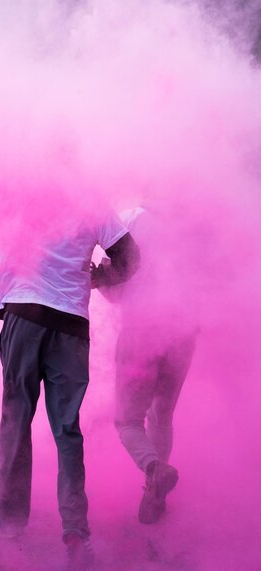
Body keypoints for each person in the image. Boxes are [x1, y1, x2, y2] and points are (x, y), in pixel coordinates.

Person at [0, 212, 140, 570]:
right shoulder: (94, 202)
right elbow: (131, 258)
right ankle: (76, 534)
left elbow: (3, 258)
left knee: (16, 423)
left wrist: (1, 309)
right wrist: (99, 278)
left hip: (23, 315)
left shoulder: (25, 199)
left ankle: (8, 524)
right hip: (71, 324)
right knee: (67, 431)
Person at [91, 207, 197, 524]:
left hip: (141, 331)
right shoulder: (195, 223)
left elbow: (116, 289)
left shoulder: (131, 218)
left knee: (128, 422)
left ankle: (154, 469)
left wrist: (98, 278)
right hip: (184, 333)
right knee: (162, 414)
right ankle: (154, 493)